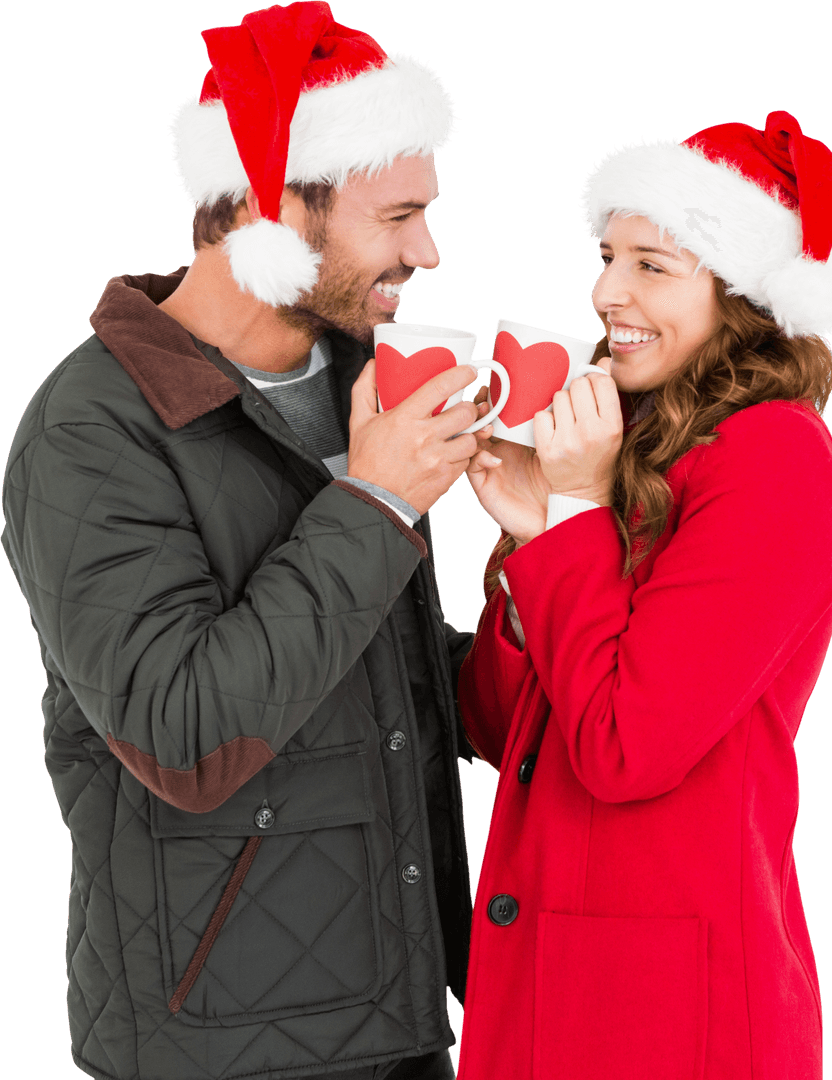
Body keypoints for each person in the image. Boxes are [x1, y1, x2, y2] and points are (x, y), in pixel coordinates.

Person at [0, 4, 491, 1079]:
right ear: (273, 208)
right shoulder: (92, 428)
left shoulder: (364, 380)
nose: (428, 251)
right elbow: (185, 737)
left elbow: (374, 680)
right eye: (398, 216)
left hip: (401, 1009)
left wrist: (544, 550)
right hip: (218, 1040)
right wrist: (375, 504)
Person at [455, 111, 832, 1079]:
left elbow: (623, 748)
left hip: (669, 1018)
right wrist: (532, 539)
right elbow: (501, 736)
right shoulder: (630, 449)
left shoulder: (774, 461)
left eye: (652, 265)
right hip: (559, 982)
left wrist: (578, 514)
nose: (604, 292)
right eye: (605, 256)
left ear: (744, 300)